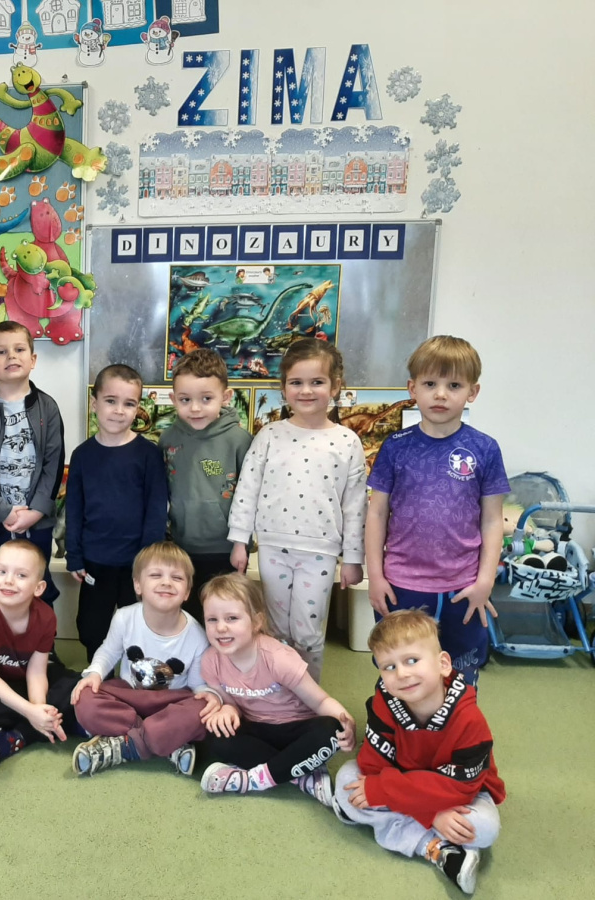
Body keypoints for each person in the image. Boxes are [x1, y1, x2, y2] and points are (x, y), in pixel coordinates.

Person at [366, 336, 508, 686]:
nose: (441, 394)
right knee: (402, 673)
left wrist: (485, 582)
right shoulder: (395, 447)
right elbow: (376, 514)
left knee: (460, 674)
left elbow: (492, 520)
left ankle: (456, 723)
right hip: (401, 585)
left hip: (463, 587)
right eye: (430, 384)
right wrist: (376, 577)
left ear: (472, 392)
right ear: (412, 388)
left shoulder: (485, 449)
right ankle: (398, 722)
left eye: (454, 385)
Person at [334, 610, 504, 895]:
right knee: (345, 782)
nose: (402, 674)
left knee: (485, 828)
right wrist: (432, 816)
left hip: (460, 794)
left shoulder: (470, 719)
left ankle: (406, 830)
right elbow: (372, 766)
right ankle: (436, 848)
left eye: (412, 660)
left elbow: (461, 789)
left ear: (443, 664)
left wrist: (389, 794)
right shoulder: (383, 702)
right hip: (411, 787)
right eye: (389, 667)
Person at [227, 339, 366, 681]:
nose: (306, 391)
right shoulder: (270, 435)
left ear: (335, 386)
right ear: (284, 387)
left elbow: (355, 505)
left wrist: (353, 558)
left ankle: (306, 695)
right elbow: (247, 489)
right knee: (274, 629)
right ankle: (275, 695)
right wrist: (240, 540)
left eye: (317, 382)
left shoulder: (347, 441)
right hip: (273, 547)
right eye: (296, 382)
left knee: (307, 632)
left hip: (320, 552)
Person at [198, 573, 355, 805]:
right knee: (214, 734)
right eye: (212, 619)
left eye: (232, 618)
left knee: (331, 729)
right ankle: (301, 776)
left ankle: (253, 779)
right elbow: (229, 702)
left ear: (256, 622)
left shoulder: (279, 658)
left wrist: (346, 721)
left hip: (295, 730)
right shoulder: (210, 661)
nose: (221, 627)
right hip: (257, 730)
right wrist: (227, 710)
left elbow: (320, 701)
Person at [69, 541, 221, 778]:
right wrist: (95, 672)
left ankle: (125, 744)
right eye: (156, 575)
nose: (166, 582)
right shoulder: (124, 617)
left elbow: (197, 685)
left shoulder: (197, 635)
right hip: (128, 697)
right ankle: (166, 741)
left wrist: (211, 695)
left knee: (203, 710)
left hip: (171, 703)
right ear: (138, 585)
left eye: (177, 578)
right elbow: (108, 652)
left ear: (187, 592)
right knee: (84, 697)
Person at [0, 320, 64, 623]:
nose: (11, 356)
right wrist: (1, 512)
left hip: (36, 521)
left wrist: (37, 510)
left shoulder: (48, 407)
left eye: (19, 349)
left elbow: (54, 463)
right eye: (1, 352)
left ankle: (42, 645)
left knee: (37, 585)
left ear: (33, 359)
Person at [66, 364, 167, 659]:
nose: (119, 411)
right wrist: (74, 555)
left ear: (138, 409)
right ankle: (98, 679)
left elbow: (156, 510)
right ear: (94, 403)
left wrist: (148, 561)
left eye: (129, 403)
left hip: (135, 565)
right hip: (94, 561)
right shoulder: (82, 455)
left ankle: (134, 681)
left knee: (138, 630)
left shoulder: (149, 454)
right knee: (91, 629)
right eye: (111, 401)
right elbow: (74, 509)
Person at [0, 540, 83, 761]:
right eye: (2, 572)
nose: (8, 580)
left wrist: (39, 708)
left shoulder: (46, 617)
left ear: (39, 588)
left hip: (29, 681)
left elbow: (36, 673)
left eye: (21, 575)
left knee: (79, 688)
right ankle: (47, 724)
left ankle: (23, 734)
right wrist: (31, 712)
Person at [159, 349, 253, 622]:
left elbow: (250, 497)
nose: (195, 408)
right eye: (185, 400)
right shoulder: (167, 439)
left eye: (206, 399)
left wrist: (242, 544)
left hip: (226, 548)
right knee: (186, 617)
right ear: (173, 399)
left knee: (222, 616)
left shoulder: (240, 440)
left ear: (226, 396)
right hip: (181, 546)